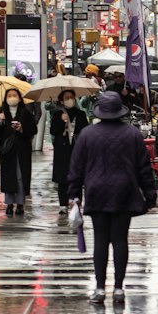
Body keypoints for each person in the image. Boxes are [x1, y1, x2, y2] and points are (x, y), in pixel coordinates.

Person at [67, 90, 157, 305]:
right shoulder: (132, 134)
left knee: (100, 240)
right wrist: (150, 194)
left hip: (96, 191)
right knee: (119, 240)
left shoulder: (87, 134)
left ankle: (99, 288)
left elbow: (76, 167)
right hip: (124, 190)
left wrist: (74, 194)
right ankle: (118, 288)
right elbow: (144, 167)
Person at [0, 86, 36, 216]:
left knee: (20, 177)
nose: (12, 98)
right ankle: (9, 203)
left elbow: (33, 130)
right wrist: (0, 121)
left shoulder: (25, 113)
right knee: (8, 177)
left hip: (22, 149)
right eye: (9, 96)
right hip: (7, 151)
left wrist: (22, 128)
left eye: (14, 95)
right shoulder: (1, 113)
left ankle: (20, 204)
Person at [49, 88, 87, 219]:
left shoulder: (80, 114)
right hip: (62, 150)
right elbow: (53, 131)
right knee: (62, 179)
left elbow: (85, 131)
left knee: (77, 178)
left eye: (71, 97)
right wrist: (62, 120)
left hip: (76, 149)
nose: (69, 100)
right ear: (61, 100)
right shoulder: (57, 114)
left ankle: (76, 202)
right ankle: (62, 205)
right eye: (66, 98)